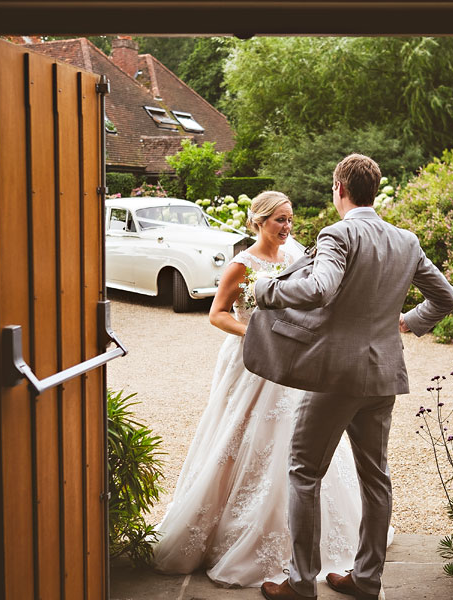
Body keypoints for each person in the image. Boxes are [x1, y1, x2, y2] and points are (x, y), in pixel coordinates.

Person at [150, 191, 391, 588]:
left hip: (294, 364)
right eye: (279, 220)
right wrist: (258, 333)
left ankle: (308, 549)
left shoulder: (297, 255)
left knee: (300, 448)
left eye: (290, 219)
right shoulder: (241, 265)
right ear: (258, 221)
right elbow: (217, 315)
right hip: (252, 362)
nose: (287, 227)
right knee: (244, 440)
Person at [250, 155, 453, 600]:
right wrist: (407, 321)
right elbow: (447, 298)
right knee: (375, 476)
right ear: (373, 190)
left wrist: (264, 289)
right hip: (383, 375)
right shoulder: (405, 240)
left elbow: (319, 288)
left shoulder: (338, 234)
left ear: (339, 188)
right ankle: (367, 581)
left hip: (337, 377)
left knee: (304, 471)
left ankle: (301, 584)